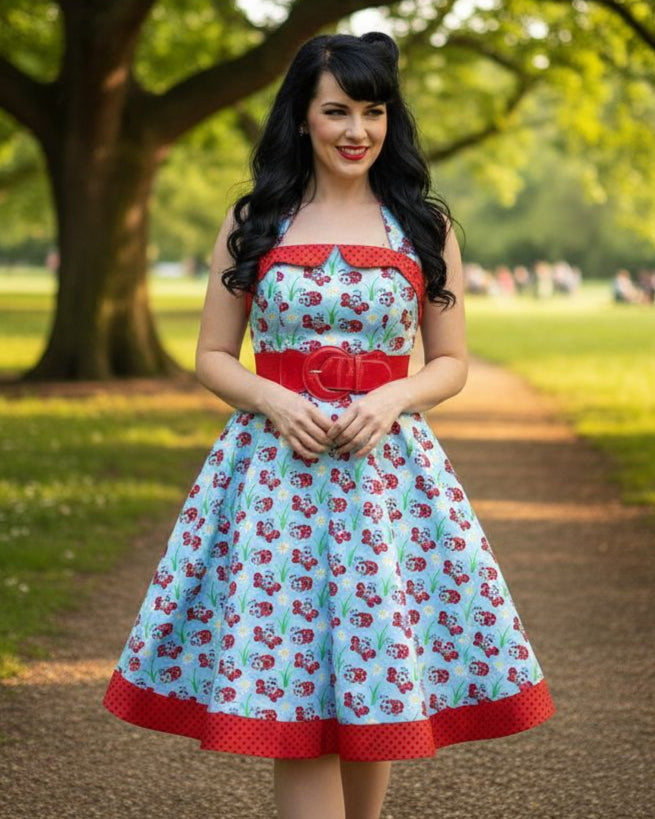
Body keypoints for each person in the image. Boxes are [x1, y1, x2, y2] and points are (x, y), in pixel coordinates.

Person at [102, 31, 557, 819]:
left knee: (373, 686)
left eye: (373, 111)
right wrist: (272, 399)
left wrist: (392, 399)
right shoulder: (258, 219)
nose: (357, 130)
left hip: (388, 484)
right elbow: (212, 354)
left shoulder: (421, 226)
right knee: (296, 693)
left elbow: (449, 362)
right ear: (302, 118)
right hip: (273, 482)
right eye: (337, 110)